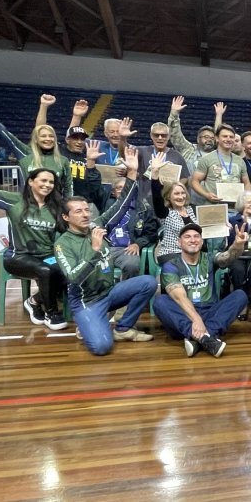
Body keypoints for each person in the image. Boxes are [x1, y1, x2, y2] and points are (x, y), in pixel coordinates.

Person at [55, 147, 159, 355]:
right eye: (78, 212)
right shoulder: (62, 243)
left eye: (86, 210)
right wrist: (94, 252)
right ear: (66, 217)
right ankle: (88, 322)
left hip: (109, 293)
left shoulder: (97, 226)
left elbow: (121, 205)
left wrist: (131, 173)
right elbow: (73, 278)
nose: (85, 215)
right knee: (102, 347)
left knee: (147, 282)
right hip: (87, 301)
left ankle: (122, 328)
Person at [0, 139, 67, 329]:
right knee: (45, 271)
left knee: (67, 269)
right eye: (43, 180)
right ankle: (51, 314)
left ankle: (33, 301)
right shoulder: (14, 201)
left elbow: (68, 232)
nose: (47, 185)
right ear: (31, 181)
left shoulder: (56, 207)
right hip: (18, 257)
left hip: (46, 256)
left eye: (51, 182)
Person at [153, 223, 251, 357]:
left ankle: (197, 339)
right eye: (187, 237)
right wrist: (196, 320)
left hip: (209, 312)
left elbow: (227, 257)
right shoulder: (171, 266)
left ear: (202, 241)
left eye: (196, 236)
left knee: (240, 295)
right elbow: (179, 297)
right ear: (179, 242)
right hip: (183, 317)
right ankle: (206, 338)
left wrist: (238, 246)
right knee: (160, 302)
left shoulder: (209, 258)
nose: (193, 240)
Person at [0, 91, 74, 196]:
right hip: (28, 209)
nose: (48, 139)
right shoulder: (25, 152)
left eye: (51, 136)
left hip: (54, 210)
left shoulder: (62, 160)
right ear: (36, 139)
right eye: (43, 136)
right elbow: (2, 131)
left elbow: (68, 188)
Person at [103, 175, 159, 280]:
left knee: (131, 265)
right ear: (113, 192)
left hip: (126, 250)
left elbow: (151, 234)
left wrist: (138, 244)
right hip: (103, 248)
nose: (124, 190)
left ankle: (127, 293)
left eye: (127, 188)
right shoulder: (104, 205)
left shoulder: (143, 210)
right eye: (119, 188)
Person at [150, 154, 198, 264]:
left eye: (182, 193)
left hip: (192, 253)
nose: (180, 197)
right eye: (176, 194)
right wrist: (155, 173)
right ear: (168, 196)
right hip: (171, 253)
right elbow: (157, 197)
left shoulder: (192, 210)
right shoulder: (165, 212)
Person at [191, 124, 251, 203]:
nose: (228, 139)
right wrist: (206, 195)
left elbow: (247, 183)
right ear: (217, 139)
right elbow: (194, 181)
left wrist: (245, 198)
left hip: (236, 209)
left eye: (231, 137)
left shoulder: (240, 161)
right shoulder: (207, 159)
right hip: (214, 208)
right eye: (225, 136)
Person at [136, 121, 190, 205]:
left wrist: (173, 187)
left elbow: (184, 178)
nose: (160, 138)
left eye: (163, 135)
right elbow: (124, 153)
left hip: (169, 201)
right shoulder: (142, 152)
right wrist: (122, 138)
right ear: (151, 136)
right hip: (145, 200)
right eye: (156, 135)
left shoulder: (177, 155)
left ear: (168, 136)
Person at [61, 126, 106, 213]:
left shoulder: (88, 157)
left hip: (83, 204)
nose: (79, 142)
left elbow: (94, 186)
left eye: (82, 139)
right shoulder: (60, 153)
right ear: (67, 140)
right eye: (75, 138)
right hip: (62, 202)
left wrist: (91, 161)